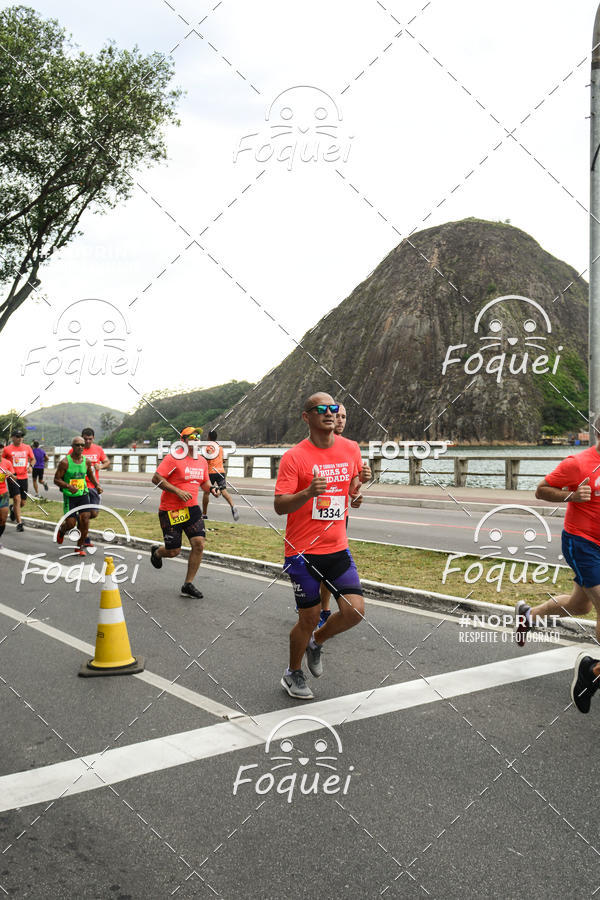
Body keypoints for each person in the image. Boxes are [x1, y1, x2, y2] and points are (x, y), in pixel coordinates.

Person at [274, 393, 365, 700]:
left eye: (333, 409)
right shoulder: (294, 457)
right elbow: (279, 506)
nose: (329, 413)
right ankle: (292, 673)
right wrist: (307, 492)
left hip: (336, 546)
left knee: (355, 612)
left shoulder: (350, 448)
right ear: (307, 417)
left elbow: (350, 489)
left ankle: (317, 641)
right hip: (301, 552)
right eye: (321, 409)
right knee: (308, 616)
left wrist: (357, 490)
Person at [514, 421, 600, 712]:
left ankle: (528, 615)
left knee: (581, 606)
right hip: (582, 542)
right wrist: (571, 495)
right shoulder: (578, 463)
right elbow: (542, 490)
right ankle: (592, 671)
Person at [318, 403, 371, 628]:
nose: (340, 420)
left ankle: (325, 609)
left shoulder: (351, 448)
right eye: (337, 416)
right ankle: (315, 607)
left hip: (339, 516)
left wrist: (361, 487)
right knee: (316, 567)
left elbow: (353, 489)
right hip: (313, 517)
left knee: (330, 565)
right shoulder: (316, 445)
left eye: (344, 417)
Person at [150, 426, 218, 599]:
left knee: (199, 544)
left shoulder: (202, 461)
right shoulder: (173, 458)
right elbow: (156, 478)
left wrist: (213, 489)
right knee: (174, 551)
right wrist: (177, 491)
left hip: (192, 508)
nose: (196, 439)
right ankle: (158, 552)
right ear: (183, 440)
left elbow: (205, 483)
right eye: (192, 436)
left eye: (198, 436)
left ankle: (188, 584)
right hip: (171, 510)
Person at [54, 436, 102, 556]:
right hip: (70, 497)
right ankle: (62, 530)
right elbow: (56, 479)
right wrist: (68, 486)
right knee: (71, 524)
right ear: (72, 447)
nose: (80, 447)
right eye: (77, 445)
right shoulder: (65, 462)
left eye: (82, 445)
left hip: (83, 494)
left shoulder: (86, 461)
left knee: (85, 519)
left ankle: (79, 547)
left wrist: (97, 485)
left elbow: (90, 475)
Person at [68, 427, 110, 538]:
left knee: (94, 513)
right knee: (85, 515)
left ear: (93, 438)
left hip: (93, 485)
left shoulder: (98, 449)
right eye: (85, 439)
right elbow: (66, 463)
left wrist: (100, 466)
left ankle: (78, 519)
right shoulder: (75, 449)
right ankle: (84, 539)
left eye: (90, 439)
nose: (87, 441)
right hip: (80, 486)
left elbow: (107, 462)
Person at [202, 429, 239, 521]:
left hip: (211, 472)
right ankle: (232, 506)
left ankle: (204, 514)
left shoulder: (208, 447)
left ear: (209, 437)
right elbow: (224, 460)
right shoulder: (220, 448)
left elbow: (209, 456)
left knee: (206, 492)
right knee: (224, 491)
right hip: (221, 471)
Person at [2, 429, 34, 532]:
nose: (20, 438)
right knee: (17, 498)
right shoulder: (7, 449)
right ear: (13, 437)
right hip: (13, 477)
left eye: (21, 436)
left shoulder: (27, 447)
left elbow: (33, 459)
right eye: (17, 436)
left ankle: (12, 509)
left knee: (23, 502)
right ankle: (19, 523)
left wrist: (31, 466)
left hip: (24, 477)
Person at [0, 452, 15, 547]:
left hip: (3, 494)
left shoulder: (7, 463)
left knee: (3, 519)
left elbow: (15, 478)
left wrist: (11, 475)